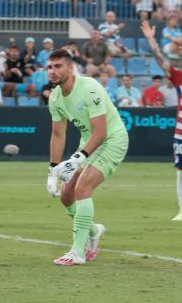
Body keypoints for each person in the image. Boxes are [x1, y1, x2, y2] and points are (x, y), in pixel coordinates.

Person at [46, 47, 128, 265]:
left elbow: (101, 131)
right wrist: (52, 171)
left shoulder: (89, 87)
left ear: (71, 68)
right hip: (88, 143)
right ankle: (93, 231)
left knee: (83, 188)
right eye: (49, 67)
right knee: (66, 196)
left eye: (58, 66)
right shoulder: (55, 98)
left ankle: (77, 253)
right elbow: (57, 134)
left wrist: (78, 158)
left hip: (112, 140)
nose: (52, 71)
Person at [141, 21, 182, 221]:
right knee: (180, 172)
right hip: (181, 133)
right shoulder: (178, 76)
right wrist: (150, 38)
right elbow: (159, 59)